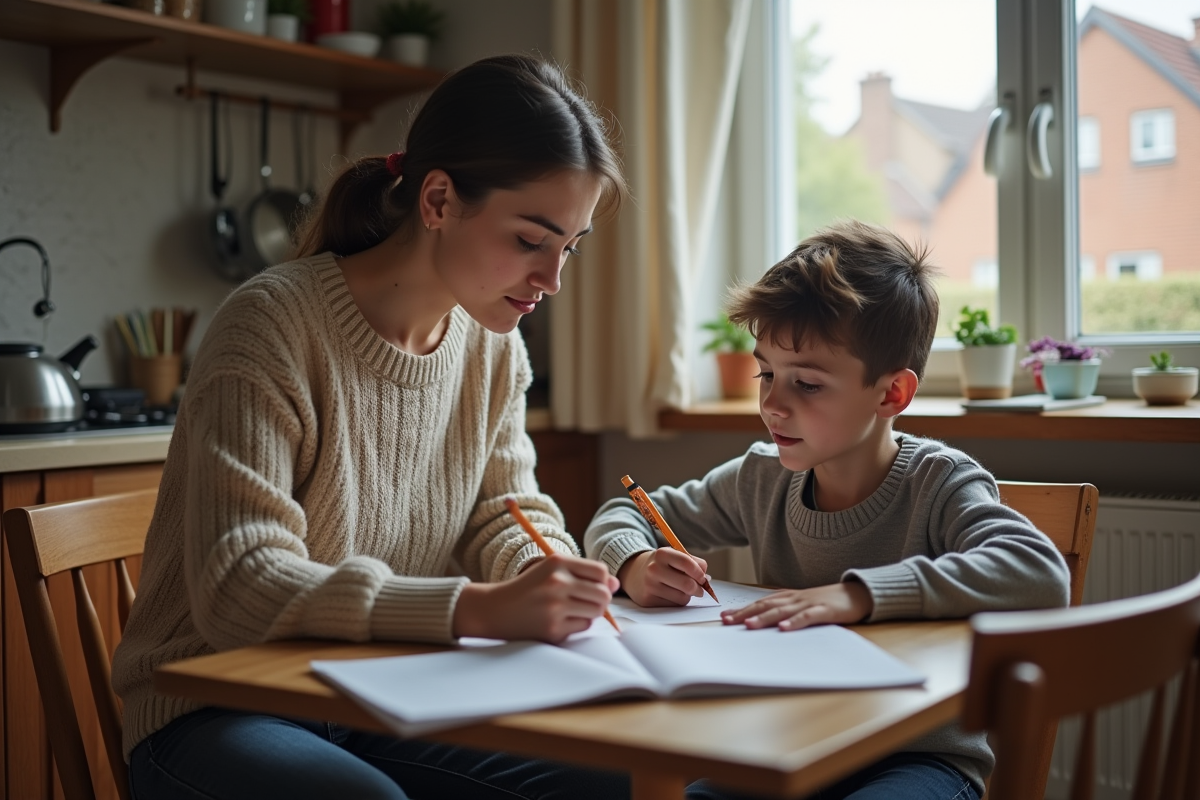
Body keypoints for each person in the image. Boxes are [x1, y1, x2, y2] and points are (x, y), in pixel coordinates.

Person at [112, 54, 633, 800]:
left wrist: (544, 571)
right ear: (439, 200)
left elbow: (503, 511)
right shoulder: (271, 324)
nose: (552, 280)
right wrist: (476, 609)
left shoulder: (493, 348)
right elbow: (239, 586)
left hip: (381, 692)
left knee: (616, 779)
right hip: (212, 707)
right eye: (530, 241)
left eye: (568, 249)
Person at [584, 220, 1070, 800]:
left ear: (891, 393)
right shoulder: (761, 478)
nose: (772, 403)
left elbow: (1040, 572)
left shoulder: (938, 482)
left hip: (919, 761)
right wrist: (634, 561)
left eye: (807, 384)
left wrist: (857, 596)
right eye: (767, 373)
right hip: (788, 748)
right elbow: (622, 511)